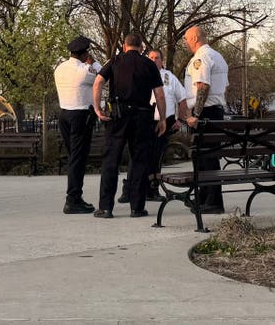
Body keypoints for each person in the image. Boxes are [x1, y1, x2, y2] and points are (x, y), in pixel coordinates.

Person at [92, 33, 166, 219]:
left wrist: (97, 108)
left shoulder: (115, 61)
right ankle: (137, 208)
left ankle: (106, 207)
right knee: (140, 161)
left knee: (111, 160)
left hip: (118, 116)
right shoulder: (149, 64)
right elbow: (159, 94)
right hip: (142, 116)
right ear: (141, 48)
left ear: (124, 46)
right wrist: (163, 119)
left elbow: (98, 82)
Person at [183, 26, 229, 214]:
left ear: (195, 38)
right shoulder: (218, 57)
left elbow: (203, 86)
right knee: (206, 157)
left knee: (206, 158)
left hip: (205, 112)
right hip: (216, 111)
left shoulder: (200, 58)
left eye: (186, 39)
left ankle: (212, 201)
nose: (186, 42)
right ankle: (204, 197)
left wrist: (196, 115)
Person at [53, 35, 100, 214]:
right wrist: (93, 62)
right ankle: (73, 199)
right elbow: (102, 74)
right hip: (80, 116)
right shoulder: (85, 70)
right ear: (84, 54)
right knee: (78, 159)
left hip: (64, 114)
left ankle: (74, 197)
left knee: (74, 157)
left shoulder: (59, 68)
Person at [145, 49, 185, 200]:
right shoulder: (142, 74)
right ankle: (134, 189)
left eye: (157, 58)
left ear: (162, 61)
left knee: (157, 157)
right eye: (151, 57)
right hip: (145, 121)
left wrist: (180, 120)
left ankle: (153, 189)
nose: (154, 60)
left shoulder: (169, 77)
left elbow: (183, 98)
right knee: (143, 156)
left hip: (164, 122)